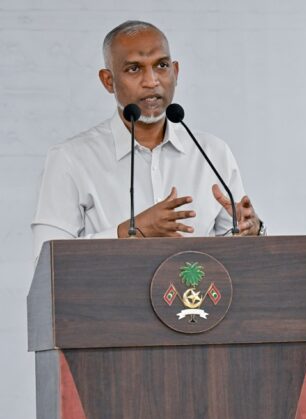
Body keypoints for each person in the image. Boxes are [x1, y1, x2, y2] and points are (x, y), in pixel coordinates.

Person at [31, 20, 264, 259]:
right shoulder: (70, 159)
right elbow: (47, 259)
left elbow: (236, 257)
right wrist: (129, 232)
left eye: (161, 66)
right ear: (108, 81)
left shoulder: (212, 153)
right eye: (134, 69)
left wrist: (252, 231)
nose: (151, 81)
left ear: (175, 72)